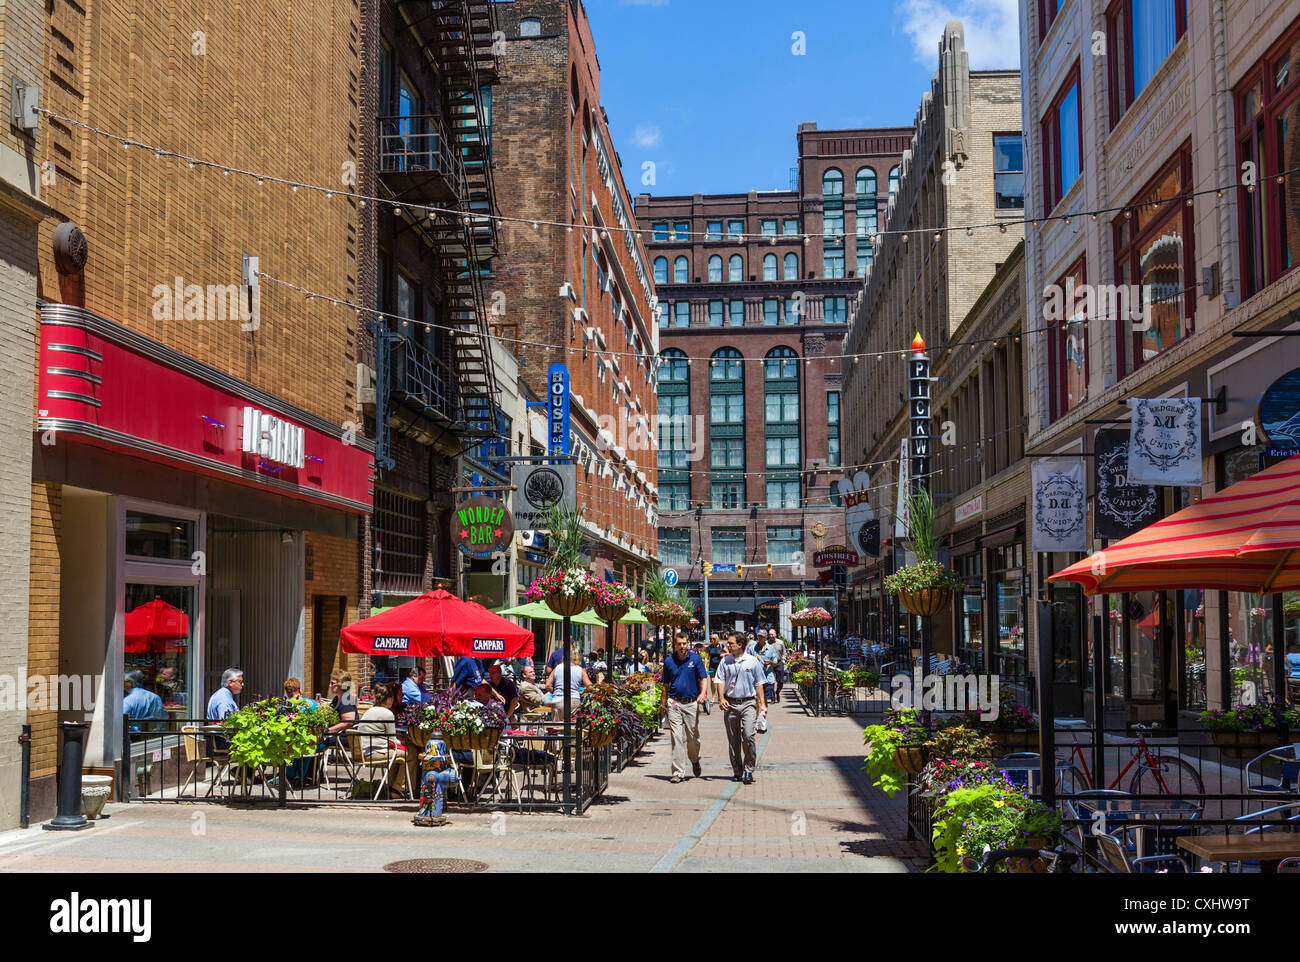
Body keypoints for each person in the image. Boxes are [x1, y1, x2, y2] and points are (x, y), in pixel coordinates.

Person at [715, 632, 767, 784]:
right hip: (730, 703)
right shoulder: (725, 662)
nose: (727, 646)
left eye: (730, 643)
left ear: (740, 645)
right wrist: (721, 698)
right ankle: (737, 770)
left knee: (749, 736)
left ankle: (749, 769)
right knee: (733, 739)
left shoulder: (752, 661)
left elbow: (759, 683)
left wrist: (763, 704)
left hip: (748, 703)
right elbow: (720, 680)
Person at [661, 631, 710, 783]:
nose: (682, 647)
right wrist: (662, 704)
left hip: (691, 703)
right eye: (679, 644)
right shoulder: (669, 661)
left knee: (693, 737)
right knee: (676, 737)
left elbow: (703, 677)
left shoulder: (695, 659)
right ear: (675, 645)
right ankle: (678, 772)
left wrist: (703, 694)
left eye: (684, 644)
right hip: (674, 702)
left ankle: (695, 760)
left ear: (687, 644)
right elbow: (664, 684)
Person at [355, 682, 407, 796]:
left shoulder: (370, 710)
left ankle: (391, 786)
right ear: (388, 699)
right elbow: (393, 739)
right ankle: (398, 788)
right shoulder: (387, 714)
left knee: (397, 753)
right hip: (374, 752)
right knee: (408, 755)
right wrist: (403, 741)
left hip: (362, 751)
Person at [324, 671, 358, 739]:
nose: (329, 685)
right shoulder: (336, 699)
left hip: (345, 737)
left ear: (341, 685)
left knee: (316, 742)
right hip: (336, 734)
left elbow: (348, 722)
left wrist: (328, 730)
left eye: (332, 683)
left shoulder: (348, 700)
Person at [768, 629, 787, 703]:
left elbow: (784, 652)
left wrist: (783, 660)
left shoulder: (780, 642)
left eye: (772, 634)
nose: (771, 636)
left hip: (779, 662)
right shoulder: (767, 643)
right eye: (770, 634)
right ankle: (772, 697)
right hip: (770, 663)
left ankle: (777, 692)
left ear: (775, 634)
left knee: (780, 681)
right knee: (770, 681)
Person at [758, 634, 778, 705]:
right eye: (759, 637)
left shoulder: (770, 648)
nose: (759, 638)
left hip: (768, 677)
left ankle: (763, 712)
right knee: (756, 700)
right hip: (756, 679)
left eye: (762, 637)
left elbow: (775, 663)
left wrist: (770, 662)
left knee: (765, 700)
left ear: (765, 638)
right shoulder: (752, 648)